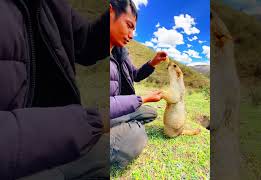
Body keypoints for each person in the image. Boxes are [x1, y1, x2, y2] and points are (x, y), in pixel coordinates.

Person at [0, 0, 108, 179]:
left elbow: (86, 42)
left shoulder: (51, 4)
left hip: (65, 136)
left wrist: (111, 18)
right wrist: (89, 123)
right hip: (20, 162)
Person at [109, 0, 167, 168]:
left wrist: (153, 62)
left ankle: (124, 125)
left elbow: (135, 75)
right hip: (100, 117)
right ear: (110, 12)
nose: (132, 34)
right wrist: (143, 98)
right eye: (129, 25)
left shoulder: (121, 52)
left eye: (133, 29)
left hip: (120, 107)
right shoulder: (90, 51)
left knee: (150, 113)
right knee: (137, 134)